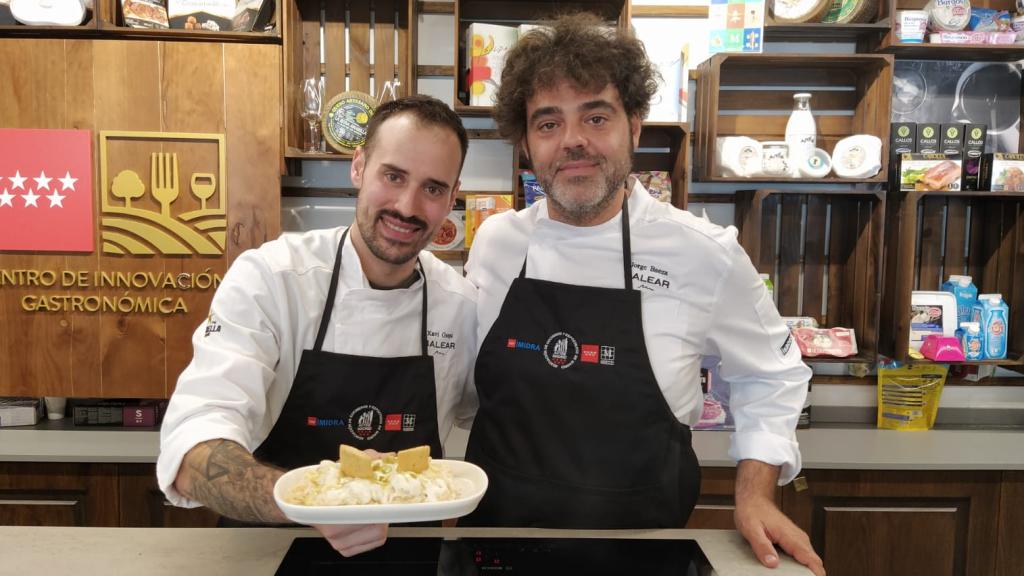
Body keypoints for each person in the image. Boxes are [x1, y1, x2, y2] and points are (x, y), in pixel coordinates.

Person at [459, 14, 825, 576]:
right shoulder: (497, 242)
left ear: (634, 126)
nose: (573, 140)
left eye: (596, 116)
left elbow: (773, 375)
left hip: (644, 553)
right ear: (527, 144)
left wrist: (756, 492)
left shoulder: (704, 253)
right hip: (496, 549)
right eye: (548, 122)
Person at [157, 95, 477, 557]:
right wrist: (320, 498)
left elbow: (482, 421)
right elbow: (194, 447)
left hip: (409, 560)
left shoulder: (460, 306)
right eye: (393, 176)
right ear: (358, 167)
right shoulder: (271, 279)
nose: (407, 207)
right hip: (271, 553)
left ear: (452, 196)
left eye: (432, 188)